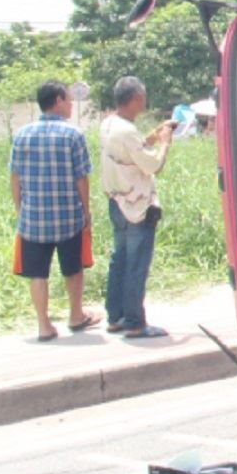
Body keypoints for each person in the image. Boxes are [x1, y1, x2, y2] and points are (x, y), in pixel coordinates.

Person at [8, 80, 98, 341]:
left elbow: (15, 177)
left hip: (33, 218)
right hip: (68, 216)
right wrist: (86, 211)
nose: (71, 105)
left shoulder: (22, 134)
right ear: (57, 100)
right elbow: (81, 178)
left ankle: (44, 325)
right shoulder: (73, 135)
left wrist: (19, 208)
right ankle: (75, 315)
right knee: (73, 268)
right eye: (68, 100)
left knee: (37, 274)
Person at [100, 76, 175, 339]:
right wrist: (165, 141)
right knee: (136, 263)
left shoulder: (110, 124)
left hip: (116, 202)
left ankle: (115, 315)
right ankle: (134, 321)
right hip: (136, 205)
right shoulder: (127, 131)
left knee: (119, 259)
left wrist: (154, 135)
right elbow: (153, 166)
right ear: (134, 99)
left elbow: (131, 152)